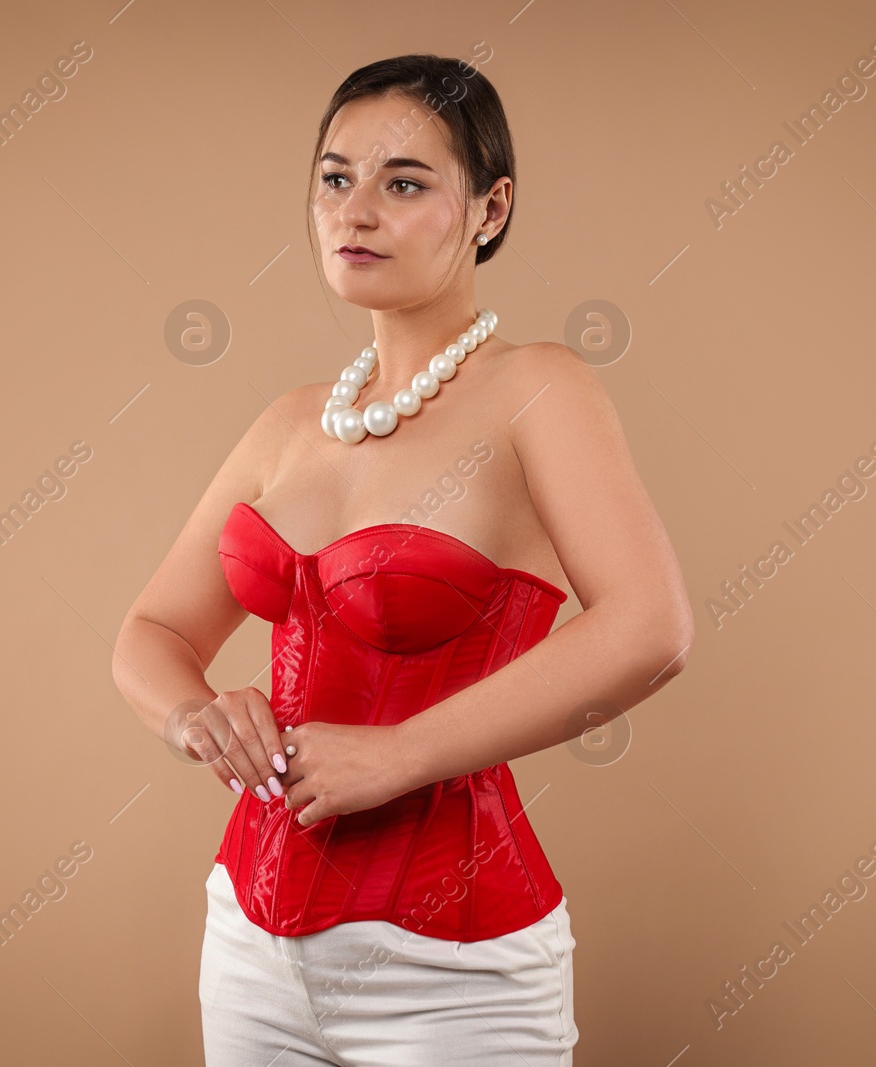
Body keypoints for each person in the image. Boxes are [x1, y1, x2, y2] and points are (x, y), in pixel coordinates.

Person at [111, 53, 693, 1066]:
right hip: (249, 941)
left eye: (405, 182)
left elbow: (651, 627)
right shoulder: (288, 423)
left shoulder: (538, 392)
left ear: (489, 208)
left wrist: (400, 752)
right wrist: (197, 716)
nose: (357, 211)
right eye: (335, 179)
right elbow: (151, 634)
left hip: (453, 972)